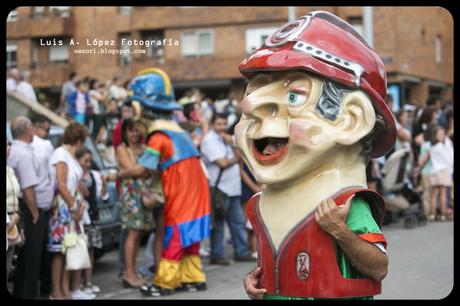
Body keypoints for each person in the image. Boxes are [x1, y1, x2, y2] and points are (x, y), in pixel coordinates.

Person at [237, 11, 392, 299]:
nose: (250, 104)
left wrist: (340, 231)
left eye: (293, 96)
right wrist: (255, 282)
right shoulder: (262, 204)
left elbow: (379, 267)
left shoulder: (345, 206)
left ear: (351, 119)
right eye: (255, 90)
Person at [124, 68, 211, 297]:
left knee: (175, 234)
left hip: (181, 194)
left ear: (139, 109)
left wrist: (120, 174)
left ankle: (166, 282)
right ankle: (193, 277)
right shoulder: (179, 132)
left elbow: (145, 168)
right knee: (190, 236)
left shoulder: (158, 137)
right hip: (197, 191)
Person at [8, 116, 54, 299]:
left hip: (28, 209)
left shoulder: (19, 150)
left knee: (30, 259)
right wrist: (35, 214)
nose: (34, 130)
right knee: (30, 260)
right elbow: (28, 189)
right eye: (32, 127)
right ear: (28, 130)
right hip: (30, 211)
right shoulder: (24, 153)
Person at [201, 113, 256, 265]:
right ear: (212, 125)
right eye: (218, 124)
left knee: (237, 222)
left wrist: (232, 144)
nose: (222, 127)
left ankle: (241, 251)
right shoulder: (209, 140)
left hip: (233, 188)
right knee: (218, 224)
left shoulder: (227, 139)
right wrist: (236, 158)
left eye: (224, 124)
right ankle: (217, 254)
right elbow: (222, 163)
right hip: (219, 188)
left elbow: (241, 155)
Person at [47, 123, 94, 300]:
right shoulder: (61, 154)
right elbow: (61, 184)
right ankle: (56, 291)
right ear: (78, 139)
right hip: (63, 207)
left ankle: (65, 290)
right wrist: (74, 206)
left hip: (72, 205)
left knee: (68, 249)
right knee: (59, 250)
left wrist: (78, 205)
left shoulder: (70, 156)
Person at [116, 118, 155, 288]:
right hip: (131, 194)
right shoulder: (122, 148)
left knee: (139, 233)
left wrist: (123, 173)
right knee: (132, 232)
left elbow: (150, 170)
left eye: (137, 130)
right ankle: (128, 273)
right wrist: (132, 171)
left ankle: (131, 272)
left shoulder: (145, 148)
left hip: (143, 193)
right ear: (125, 132)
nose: (134, 133)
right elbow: (137, 169)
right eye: (131, 130)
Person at [75, 146, 109, 296]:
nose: (88, 164)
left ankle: (88, 282)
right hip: (80, 219)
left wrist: (104, 184)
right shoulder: (75, 175)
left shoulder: (94, 175)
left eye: (90, 161)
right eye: (85, 160)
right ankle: (77, 284)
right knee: (80, 251)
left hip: (93, 218)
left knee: (91, 250)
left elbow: (103, 196)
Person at [30, 114, 54, 297]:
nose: (48, 133)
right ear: (36, 127)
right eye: (47, 130)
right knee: (43, 252)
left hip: (33, 204)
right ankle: (45, 290)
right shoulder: (44, 145)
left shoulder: (23, 147)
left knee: (33, 253)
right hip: (40, 206)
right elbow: (51, 176)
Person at [418, 125, 453, 221]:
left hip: (434, 171)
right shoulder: (443, 146)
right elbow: (449, 159)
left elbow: (423, 160)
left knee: (434, 194)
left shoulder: (432, 147)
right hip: (443, 171)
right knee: (443, 194)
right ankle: (443, 214)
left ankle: (432, 214)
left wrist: (418, 169)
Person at [6, 141, 22, 278]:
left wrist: (17, 215)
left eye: (8, 144)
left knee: (7, 267)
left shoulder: (10, 170)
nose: (8, 148)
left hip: (13, 221)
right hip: (7, 221)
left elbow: (16, 196)